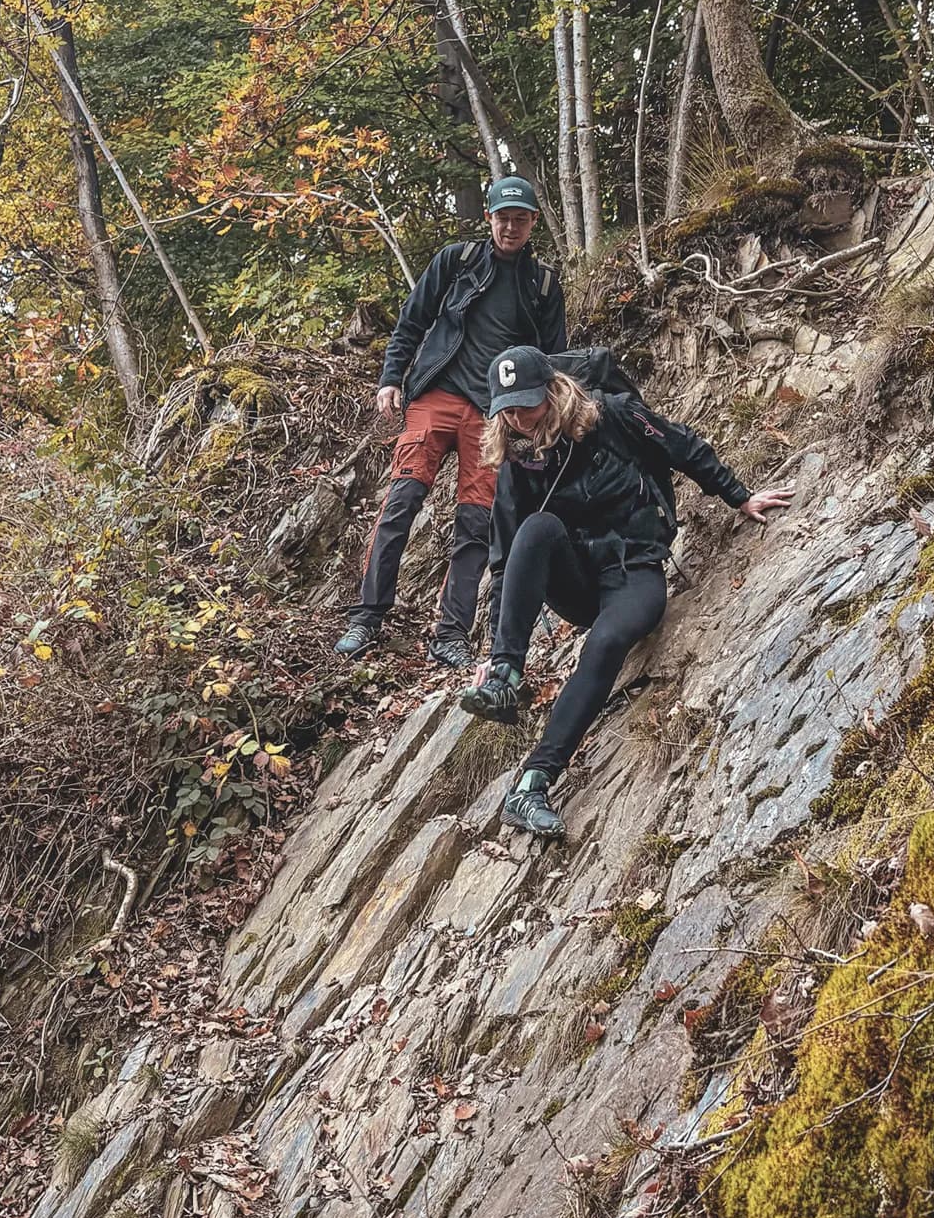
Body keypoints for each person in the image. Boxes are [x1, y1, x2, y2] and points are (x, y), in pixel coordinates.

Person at [460, 346, 794, 837]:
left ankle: (532, 782)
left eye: (526, 403)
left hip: (634, 570)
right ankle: (506, 674)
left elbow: (683, 447)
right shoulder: (517, 460)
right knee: (535, 530)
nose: (516, 416)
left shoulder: (611, 415)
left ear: (553, 390)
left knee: (608, 643)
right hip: (577, 579)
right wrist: (495, 647)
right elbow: (506, 556)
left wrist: (739, 496)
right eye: (506, 408)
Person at [335, 176, 568, 666]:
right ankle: (367, 618)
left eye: (520, 219)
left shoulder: (544, 285)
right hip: (437, 396)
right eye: (503, 217)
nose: (510, 227)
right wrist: (390, 378)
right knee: (402, 501)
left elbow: (555, 360)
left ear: (532, 223)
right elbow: (412, 320)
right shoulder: (457, 261)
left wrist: (550, 420)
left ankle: (450, 635)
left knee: (476, 524)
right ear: (489, 218)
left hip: (494, 416)